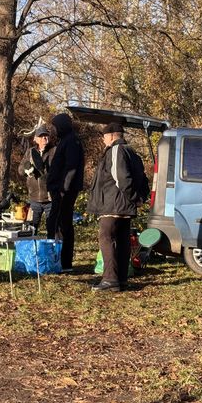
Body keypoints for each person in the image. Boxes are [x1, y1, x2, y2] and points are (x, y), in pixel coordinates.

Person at [87, 122, 146, 292]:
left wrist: (132, 197)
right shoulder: (132, 152)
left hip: (113, 204)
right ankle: (121, 280)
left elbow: (121, 178)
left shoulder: (116, 150)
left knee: (106, 238)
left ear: (112, 136)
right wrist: (137, 199)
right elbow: (142, 178)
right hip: (124, 205)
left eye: (104, 136)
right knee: (122, 241)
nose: (103, 139)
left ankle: (109, 279)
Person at [46, 113, 85, 272]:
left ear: (61, 126)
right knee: (57, 224)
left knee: (62, 225)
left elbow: (71, 167)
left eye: (55, 127)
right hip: (60, 190)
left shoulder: (71, 141)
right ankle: (58, 260)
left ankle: (62, 261)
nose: (54, 130)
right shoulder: (66, 140)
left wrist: (63, 189)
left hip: (64, 191)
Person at [18, 125, 55, 234]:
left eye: (46, 135)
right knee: (32, 228)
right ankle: (31, 250)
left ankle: (51, 249)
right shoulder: (30, 152)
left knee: (51, 229)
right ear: (36, 139)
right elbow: (20, 170)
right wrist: (27, 170)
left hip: (50, 198)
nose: (44, 138)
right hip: (34, 198)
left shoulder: (54, 151)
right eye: (41, 136)